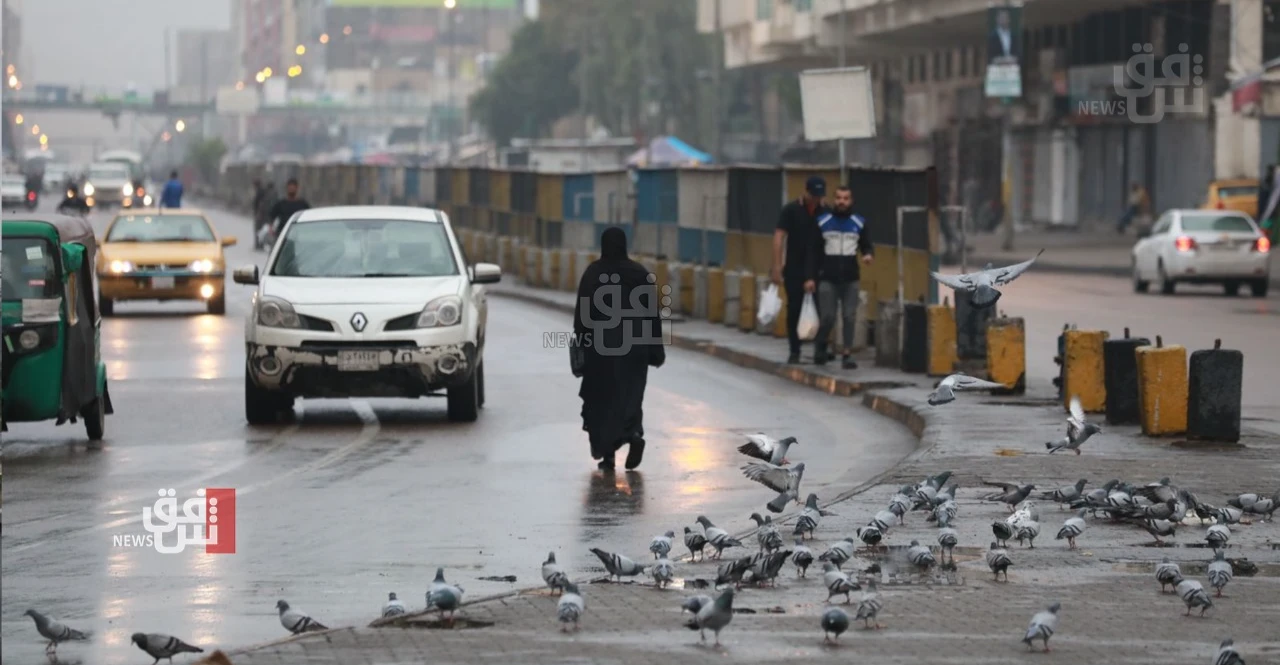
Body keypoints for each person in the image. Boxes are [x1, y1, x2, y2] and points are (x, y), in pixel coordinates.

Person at [573, 227, 665, 471]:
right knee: (630, 397)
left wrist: (581, 343)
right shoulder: (640, 273)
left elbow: (582, 315)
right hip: (635, 349)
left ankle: (608, 456)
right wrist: (656, 350)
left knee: (602, 401)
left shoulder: (594, 273)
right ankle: (633, 434)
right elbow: (652, 316)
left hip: (601, 351)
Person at [814, 186, 874, 369]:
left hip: (850, 278)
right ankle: (820, 345)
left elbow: (866, 244)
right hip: (827, 277)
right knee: (828, 317)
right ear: (834, 200)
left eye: (845, 198)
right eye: (839, 198)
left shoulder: (859, 222)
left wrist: (868, 254)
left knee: (849, 316)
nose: (842, 202)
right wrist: (811, 275)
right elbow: (813, 249)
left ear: (851, 201)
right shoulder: (823, 221)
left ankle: (847, 354)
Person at [772, 176, 825, 364]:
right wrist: (777, 265)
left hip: (819, 268)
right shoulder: (791, 210)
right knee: (794, 308)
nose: (816, 199)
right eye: (813, 195)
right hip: (795, 267)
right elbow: (779, 237)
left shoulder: (825, 212)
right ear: (806, 191)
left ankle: (820, 349)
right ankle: (795, 349)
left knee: (822, 309)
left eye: (819, 196)